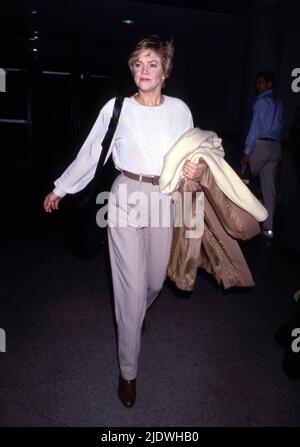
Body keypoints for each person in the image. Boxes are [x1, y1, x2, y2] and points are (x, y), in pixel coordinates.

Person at [43, 35, 200, 407]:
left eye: (151, 64)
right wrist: (61, 189)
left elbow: (191, 155)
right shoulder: (117, 108)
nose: (143, 71)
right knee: (129, 291)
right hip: (125, 195)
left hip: (164, 198)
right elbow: (91, 153)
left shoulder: (180, 110)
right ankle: (128, 372)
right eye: (137, 64)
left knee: (155, 279)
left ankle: (137, 314)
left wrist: (193, 167)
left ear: (165, 70)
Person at [240, 70, 284, 238]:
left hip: (262, 146)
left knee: (242, 181)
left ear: (269, 84)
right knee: (269, 189)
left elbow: (255, 129)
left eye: (260, 82)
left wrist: (247, 152)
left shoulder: (260, 103)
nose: (257, 85)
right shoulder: (279, 104)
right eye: (257, 82)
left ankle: (243, 223)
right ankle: (268, 228)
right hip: (276, 148)